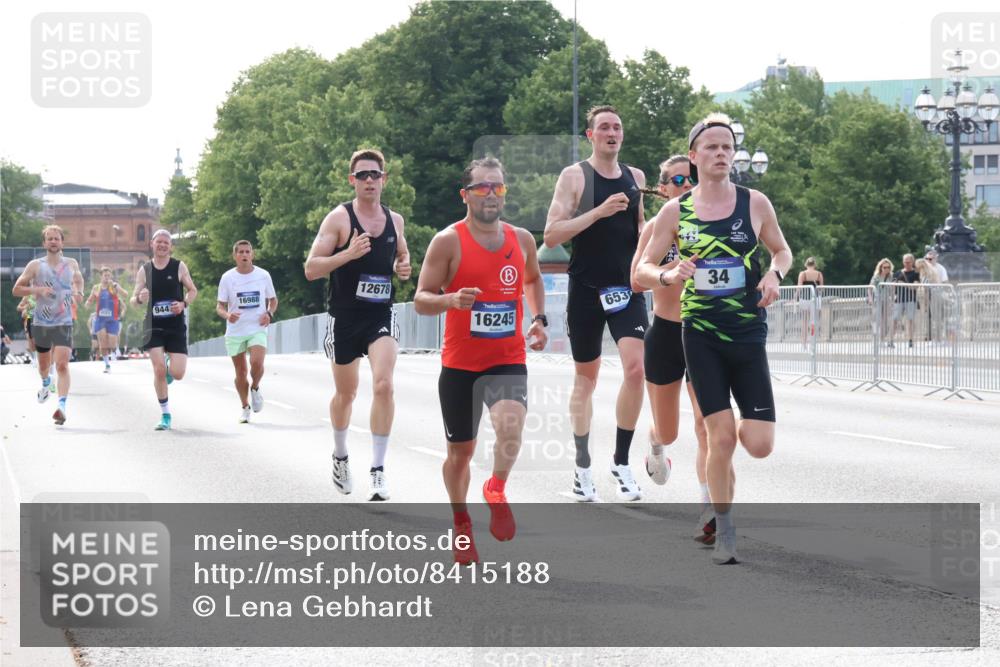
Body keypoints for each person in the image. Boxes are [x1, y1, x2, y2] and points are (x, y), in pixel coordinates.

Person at [635, 113, 792, 564]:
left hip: (746, 333)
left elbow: (780, 249)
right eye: (713, 147)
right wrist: (668, 273)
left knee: (758, 445)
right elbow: (642, 270)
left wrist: (775, 275)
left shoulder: (754, 203)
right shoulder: (674, 212)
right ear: (695, 156)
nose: (722, 153)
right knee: (718, 437)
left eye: (728, 147)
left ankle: (738, 434)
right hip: (699, 334)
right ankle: (723, 529)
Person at [415, 156, 547, 564]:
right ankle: (461, 523)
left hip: (507, 357)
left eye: (498, 187)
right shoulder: (447, 241)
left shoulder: (522, 239)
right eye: (483, 187)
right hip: (460, 366)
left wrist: (539, 319)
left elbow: (533, 279)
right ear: (466, 195)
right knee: (460, 454)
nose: (491, 194)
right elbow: (421, 299)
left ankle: (496, 487)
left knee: (510, 426)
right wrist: (450, 300)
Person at [543, 105, 648, 502]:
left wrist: (655, 247)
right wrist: (598, 212)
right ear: (590, 135)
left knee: (636, 370)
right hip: (585, 288)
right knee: (586, 381)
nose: (612, 132)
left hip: (626, 288)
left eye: (617, 127)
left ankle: (621, 462)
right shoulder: (574, 177)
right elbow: (552, 234)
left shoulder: (635, 177)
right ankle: (582, 465)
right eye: (604, 126)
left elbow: (638, 227)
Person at [305, 149, 411, 501]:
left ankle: (378, 470)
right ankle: (340, 454)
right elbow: (311, 268)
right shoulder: (339, 219)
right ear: (352, 180)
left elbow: (402, 254)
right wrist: (347, 254)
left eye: (375, 174)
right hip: (345, 318)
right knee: (346, 394)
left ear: (384, 179)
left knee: (384, 385)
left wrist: (403, 267)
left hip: (380, 314)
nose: (369, 180)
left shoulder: (394, 220)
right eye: (362, 175)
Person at [629, 156, 714, 543]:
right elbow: (635, 281)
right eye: (678, 179)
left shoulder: (715, 224)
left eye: (690, 177)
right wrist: (668, 272)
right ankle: (655, 444)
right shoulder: (657, 226)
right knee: (671, 430)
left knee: (707, 425)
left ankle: (708, 510)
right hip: (665, 333)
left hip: (703, 332)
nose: (686, 183)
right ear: (663, 187)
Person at [11, 225, 85, 425]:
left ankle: (61, 406)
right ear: (44, 243)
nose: (53, 241)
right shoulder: (35, 265)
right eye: (49, 238)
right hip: (41, 322)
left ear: (62, 242)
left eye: (56, 238)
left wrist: (79, 293)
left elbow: (79, 281)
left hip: (64, 321)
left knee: (62, 364)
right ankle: (46, 382)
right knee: (44, 366)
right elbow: (16, 290)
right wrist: (38, 289)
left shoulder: (71, 263)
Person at [131, 229, 198, 430]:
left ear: (170, 246)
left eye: (166, 243)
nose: (162, 245)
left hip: (175, 325)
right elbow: (134, 300)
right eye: (158, 242)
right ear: (152, 244)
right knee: (158, 370)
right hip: (154, 326)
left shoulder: (179, 266)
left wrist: (184, 303)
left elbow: (193, 291)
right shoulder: (144, 270)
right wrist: (139, 298)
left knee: (177, 374)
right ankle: (165, 414)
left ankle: (170, 366)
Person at [217, 240, 278, 423]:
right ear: (235, 255)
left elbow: (273, 300)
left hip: (257, 327)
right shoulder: (227, 278)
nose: (244, 255)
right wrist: (228, 315)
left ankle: (256, 387)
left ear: (252, 254)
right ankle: (245, 407)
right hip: (235, 330)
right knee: (241, 372)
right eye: (241, 252)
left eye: (247, 251)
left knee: (256, 363)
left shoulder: (263, 275)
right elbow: (219, 306)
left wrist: (269, 313)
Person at [85, 267, 128, 372]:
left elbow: (125, 295)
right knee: (103, 343)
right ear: (101, 277)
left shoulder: (114, 287)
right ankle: (107, 365)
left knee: (112, 343)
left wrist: (118, 287)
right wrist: (88, 303)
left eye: (109, 276)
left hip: (112, 320)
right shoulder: (96, 288)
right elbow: (90, 299)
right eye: (105, 276)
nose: (107, 278)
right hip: (100, 320)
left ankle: (112, 353)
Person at [892, 254, 919, 349]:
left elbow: (915, 287)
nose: (906, 264)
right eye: (905, 262)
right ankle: (891, 340)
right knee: (895, 320)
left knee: (910, 320)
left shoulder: (916, 273)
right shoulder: (897, 273)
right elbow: (892, 286)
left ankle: (910, 340)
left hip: (910, 299)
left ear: (912, 262)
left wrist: (904, 284)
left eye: (908, 262)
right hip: (898, 300)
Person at [796, 257, 824, 346]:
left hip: (805, 299)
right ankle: (813, 343)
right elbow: (821, 289)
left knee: (804, 322)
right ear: (814, 265)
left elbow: (799, 288)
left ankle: (804, 344)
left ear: (806, 264)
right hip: (815, 299)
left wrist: (794, 298)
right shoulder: (819, 274)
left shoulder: (803, 274)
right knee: (814, 322)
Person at [869, 258, 894, 346]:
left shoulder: (891, 276)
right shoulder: (876, 276)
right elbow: (870, 287)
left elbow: (893, 288)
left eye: (888, 267)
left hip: (887, 299)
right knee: (877, 320)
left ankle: (882, 339)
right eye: (884, 267)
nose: (886, 269)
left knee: (886, 321)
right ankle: (876, 339)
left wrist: (893, 298)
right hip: (878, 299)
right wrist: (870, 298)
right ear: (881, 267)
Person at [17, 294, 37, 367]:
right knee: (30, 339)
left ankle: (40, 357)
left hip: (41, 318)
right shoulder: (27, 296)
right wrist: (26, 307)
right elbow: (18, 307)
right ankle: (35, 358)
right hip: (29, 318)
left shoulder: (42, 293)